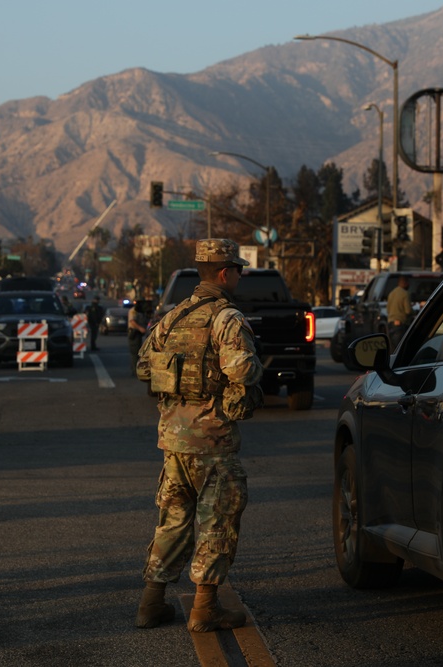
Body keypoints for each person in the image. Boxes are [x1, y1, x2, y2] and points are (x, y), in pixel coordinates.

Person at [134, 238, 263, 633]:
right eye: (238, 269)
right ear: (225, 273)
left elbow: (143, 367)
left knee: (172, 520)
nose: (240, 275)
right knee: (217, 520)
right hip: (212, 440)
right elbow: (243, 370)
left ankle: (151, 604)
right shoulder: (226, 318)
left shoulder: (173, 317)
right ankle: (205, 608)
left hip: (174, 440)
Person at [386, 274, 412, 350]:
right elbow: (408, 311)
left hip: (390, 323)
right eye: (408, 283)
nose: (409, 285)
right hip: (400, 324)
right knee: (400, 348)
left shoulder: (391, 293)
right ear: (405, 283)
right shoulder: (405, 294)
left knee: (393, 349)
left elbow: (388, 309)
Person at [127, 299, 150, 375]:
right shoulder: (133, 311)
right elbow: (132, 321)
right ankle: (135, 370)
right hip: (134, 333)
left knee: (139, 352)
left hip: (139, 334)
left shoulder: (140, 311)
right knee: (135, 352)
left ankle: (135, 369)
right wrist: (140, 328)